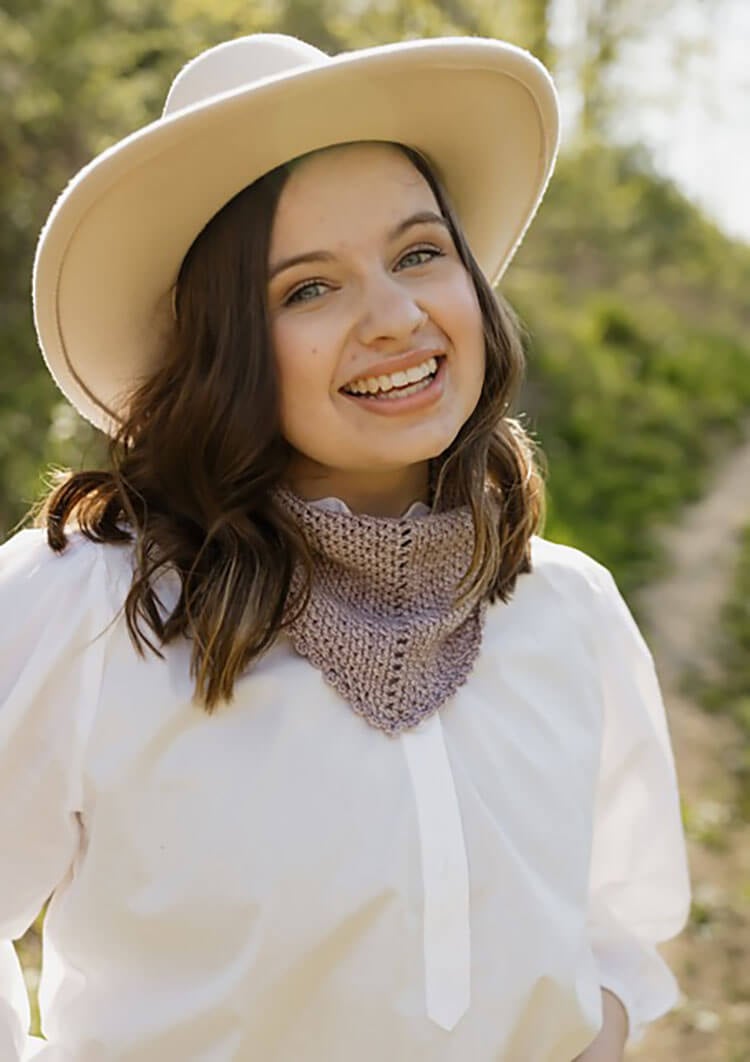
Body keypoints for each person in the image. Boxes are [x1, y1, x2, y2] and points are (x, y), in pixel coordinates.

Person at [0, 32, 690, 1062]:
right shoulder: (89, 605)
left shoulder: (567, 608)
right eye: (307, 289)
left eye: (418, 254)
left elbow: (623, 926)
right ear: (221, 349)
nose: (397, 318)